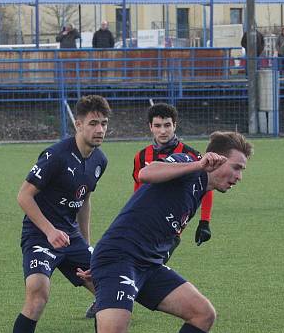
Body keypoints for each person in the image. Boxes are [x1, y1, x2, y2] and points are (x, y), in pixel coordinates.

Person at [13, 131, 253, 333]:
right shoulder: (187, 164)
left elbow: (168, 235)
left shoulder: (197, 190)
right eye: (236, 167)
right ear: (215, 159)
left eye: (242, 171)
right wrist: (198, 165)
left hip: (146, 265)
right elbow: (146, 172)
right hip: (120, 258)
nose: (238, 176)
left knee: (203, 313)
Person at [4, 95, 132, 333]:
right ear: (78, 124)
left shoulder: (100, 160)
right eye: (93, 123)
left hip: (71, 238)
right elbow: (24, 196)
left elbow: (84, 199)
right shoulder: (57, 155)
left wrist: (87, 247)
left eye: (104, 123)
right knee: (38, 292)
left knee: (106, 288)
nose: (99, 129)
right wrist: (49, 231)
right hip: (40, 235)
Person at [83, 102, 212, 319]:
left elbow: (206, 190)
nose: (163, 131)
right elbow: (138, 190)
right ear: (150, 127)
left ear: (175, 126)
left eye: (168, 125)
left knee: (145, 266)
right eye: (158, 125)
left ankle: (111, 297)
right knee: (135, 265)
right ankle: (108, 296)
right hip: (141, 227)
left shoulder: (191, 156)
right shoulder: (141, 157)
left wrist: (204, 222)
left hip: (169, 229)